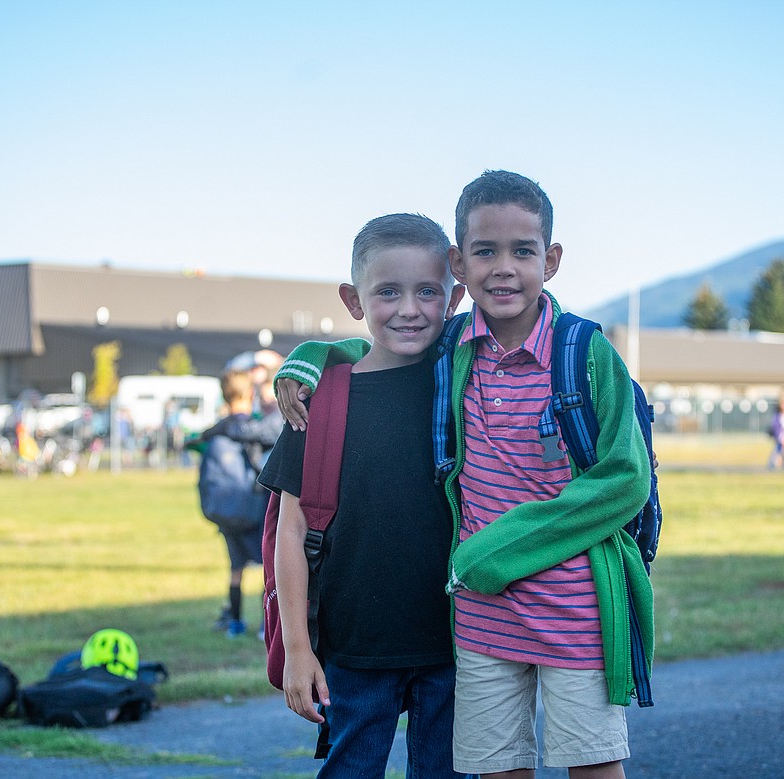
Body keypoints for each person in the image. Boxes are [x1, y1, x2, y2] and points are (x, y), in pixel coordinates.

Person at [274, 172, 653, 778]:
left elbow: (625, 478)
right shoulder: (436, 357)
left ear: (549, 260)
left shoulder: (534, 353)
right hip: (456, 627)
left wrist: (495, 548)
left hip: (532, 618)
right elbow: (371, 348)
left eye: (523, 251)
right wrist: (306, 359)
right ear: (461, 264)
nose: (503, 267)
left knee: (561, 766)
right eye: (485, 251)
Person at [258, 213, 468, 778]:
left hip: (457, 645)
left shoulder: (467, 386)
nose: (409, 308)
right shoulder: (320, 402)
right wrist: (298, 651)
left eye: (428, 291)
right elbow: (292, 533)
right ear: (355, 299)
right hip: (352, 650)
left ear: (455, 296)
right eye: (388, 292)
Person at [199, 351, 284, 638]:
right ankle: (265, 625)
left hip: (224, 510)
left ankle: (234, 622)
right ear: (249, 393)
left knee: (235, 568)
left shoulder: (216, 432)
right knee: (266, 566)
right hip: (253, 506)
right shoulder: (248, 427)